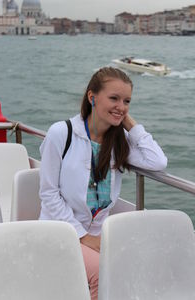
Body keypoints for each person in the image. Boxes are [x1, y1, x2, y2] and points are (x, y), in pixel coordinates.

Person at [39, 67, 167, 300]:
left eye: (127, 100)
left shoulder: (120, 142)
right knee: (102, 273)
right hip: (59, 233)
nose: (121, 105)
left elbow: (157, 161)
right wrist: (83, 237)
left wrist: (128, 122)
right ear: (92, 97)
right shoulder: (61, 133)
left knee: (142, 265)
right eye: (114, 98)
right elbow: (48, 194)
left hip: (99, 236)